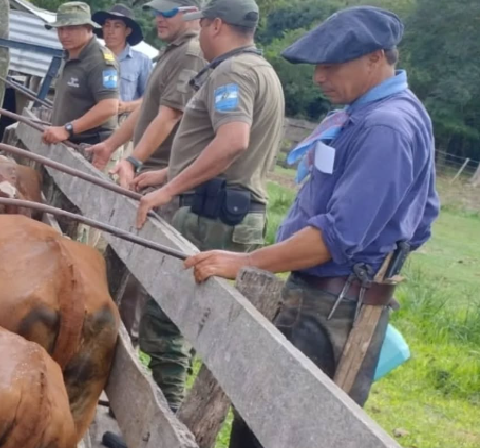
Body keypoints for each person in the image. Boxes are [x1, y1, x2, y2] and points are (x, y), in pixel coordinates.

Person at [182, 6, 440, 448]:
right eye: (318, 65)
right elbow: (424, 217)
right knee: (266, 422)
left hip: (331, 306)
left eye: (332, 65)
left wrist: (248, 261)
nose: (320, 76)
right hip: (329, 298)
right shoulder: (367, 114)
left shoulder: (386, 127)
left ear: (375, 58)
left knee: (278, 431)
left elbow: (335, 236)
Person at [132, 0, 286, 412]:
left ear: (216, 25)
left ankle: (164, 427)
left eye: (202, 26)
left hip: (211, 213)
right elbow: (222, 146)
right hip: (229, 208)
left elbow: (233, 141)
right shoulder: (260, 69)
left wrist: (169, 190)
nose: (199, 34)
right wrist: (167, 175)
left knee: (169, 320)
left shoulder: (232, 72)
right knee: (200, 322)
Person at [86, 0, 205, 357]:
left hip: (164, 176)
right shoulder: (170, 54)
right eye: (157, 12)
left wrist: (134, 160)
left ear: (192, 14)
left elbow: (168, 117)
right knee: (122, 260)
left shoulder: (192, 54)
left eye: (167, 13)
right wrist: (110, 146)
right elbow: (147, 113)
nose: (158, 19)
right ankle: (105, 352)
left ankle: (124, 359)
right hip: (147, 172)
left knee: (142, 274)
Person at [41, 2, 120, 147]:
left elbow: (109, 106)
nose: (64, 35)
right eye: (61, 29)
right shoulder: (69, 55)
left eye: (71, 28)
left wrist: (67, 129)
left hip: (91, 147)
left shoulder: (100, 61)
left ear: (88, 27)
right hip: (68, 142)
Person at [92, 4, 154, 177]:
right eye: (106, 25)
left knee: (110, 179)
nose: (110, 30)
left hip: (123, 130)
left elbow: (150, 99)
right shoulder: (92, 58)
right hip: (90, 127)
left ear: (128, 31)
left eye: (117, 26)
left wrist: (125, 106)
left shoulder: (141, 62)